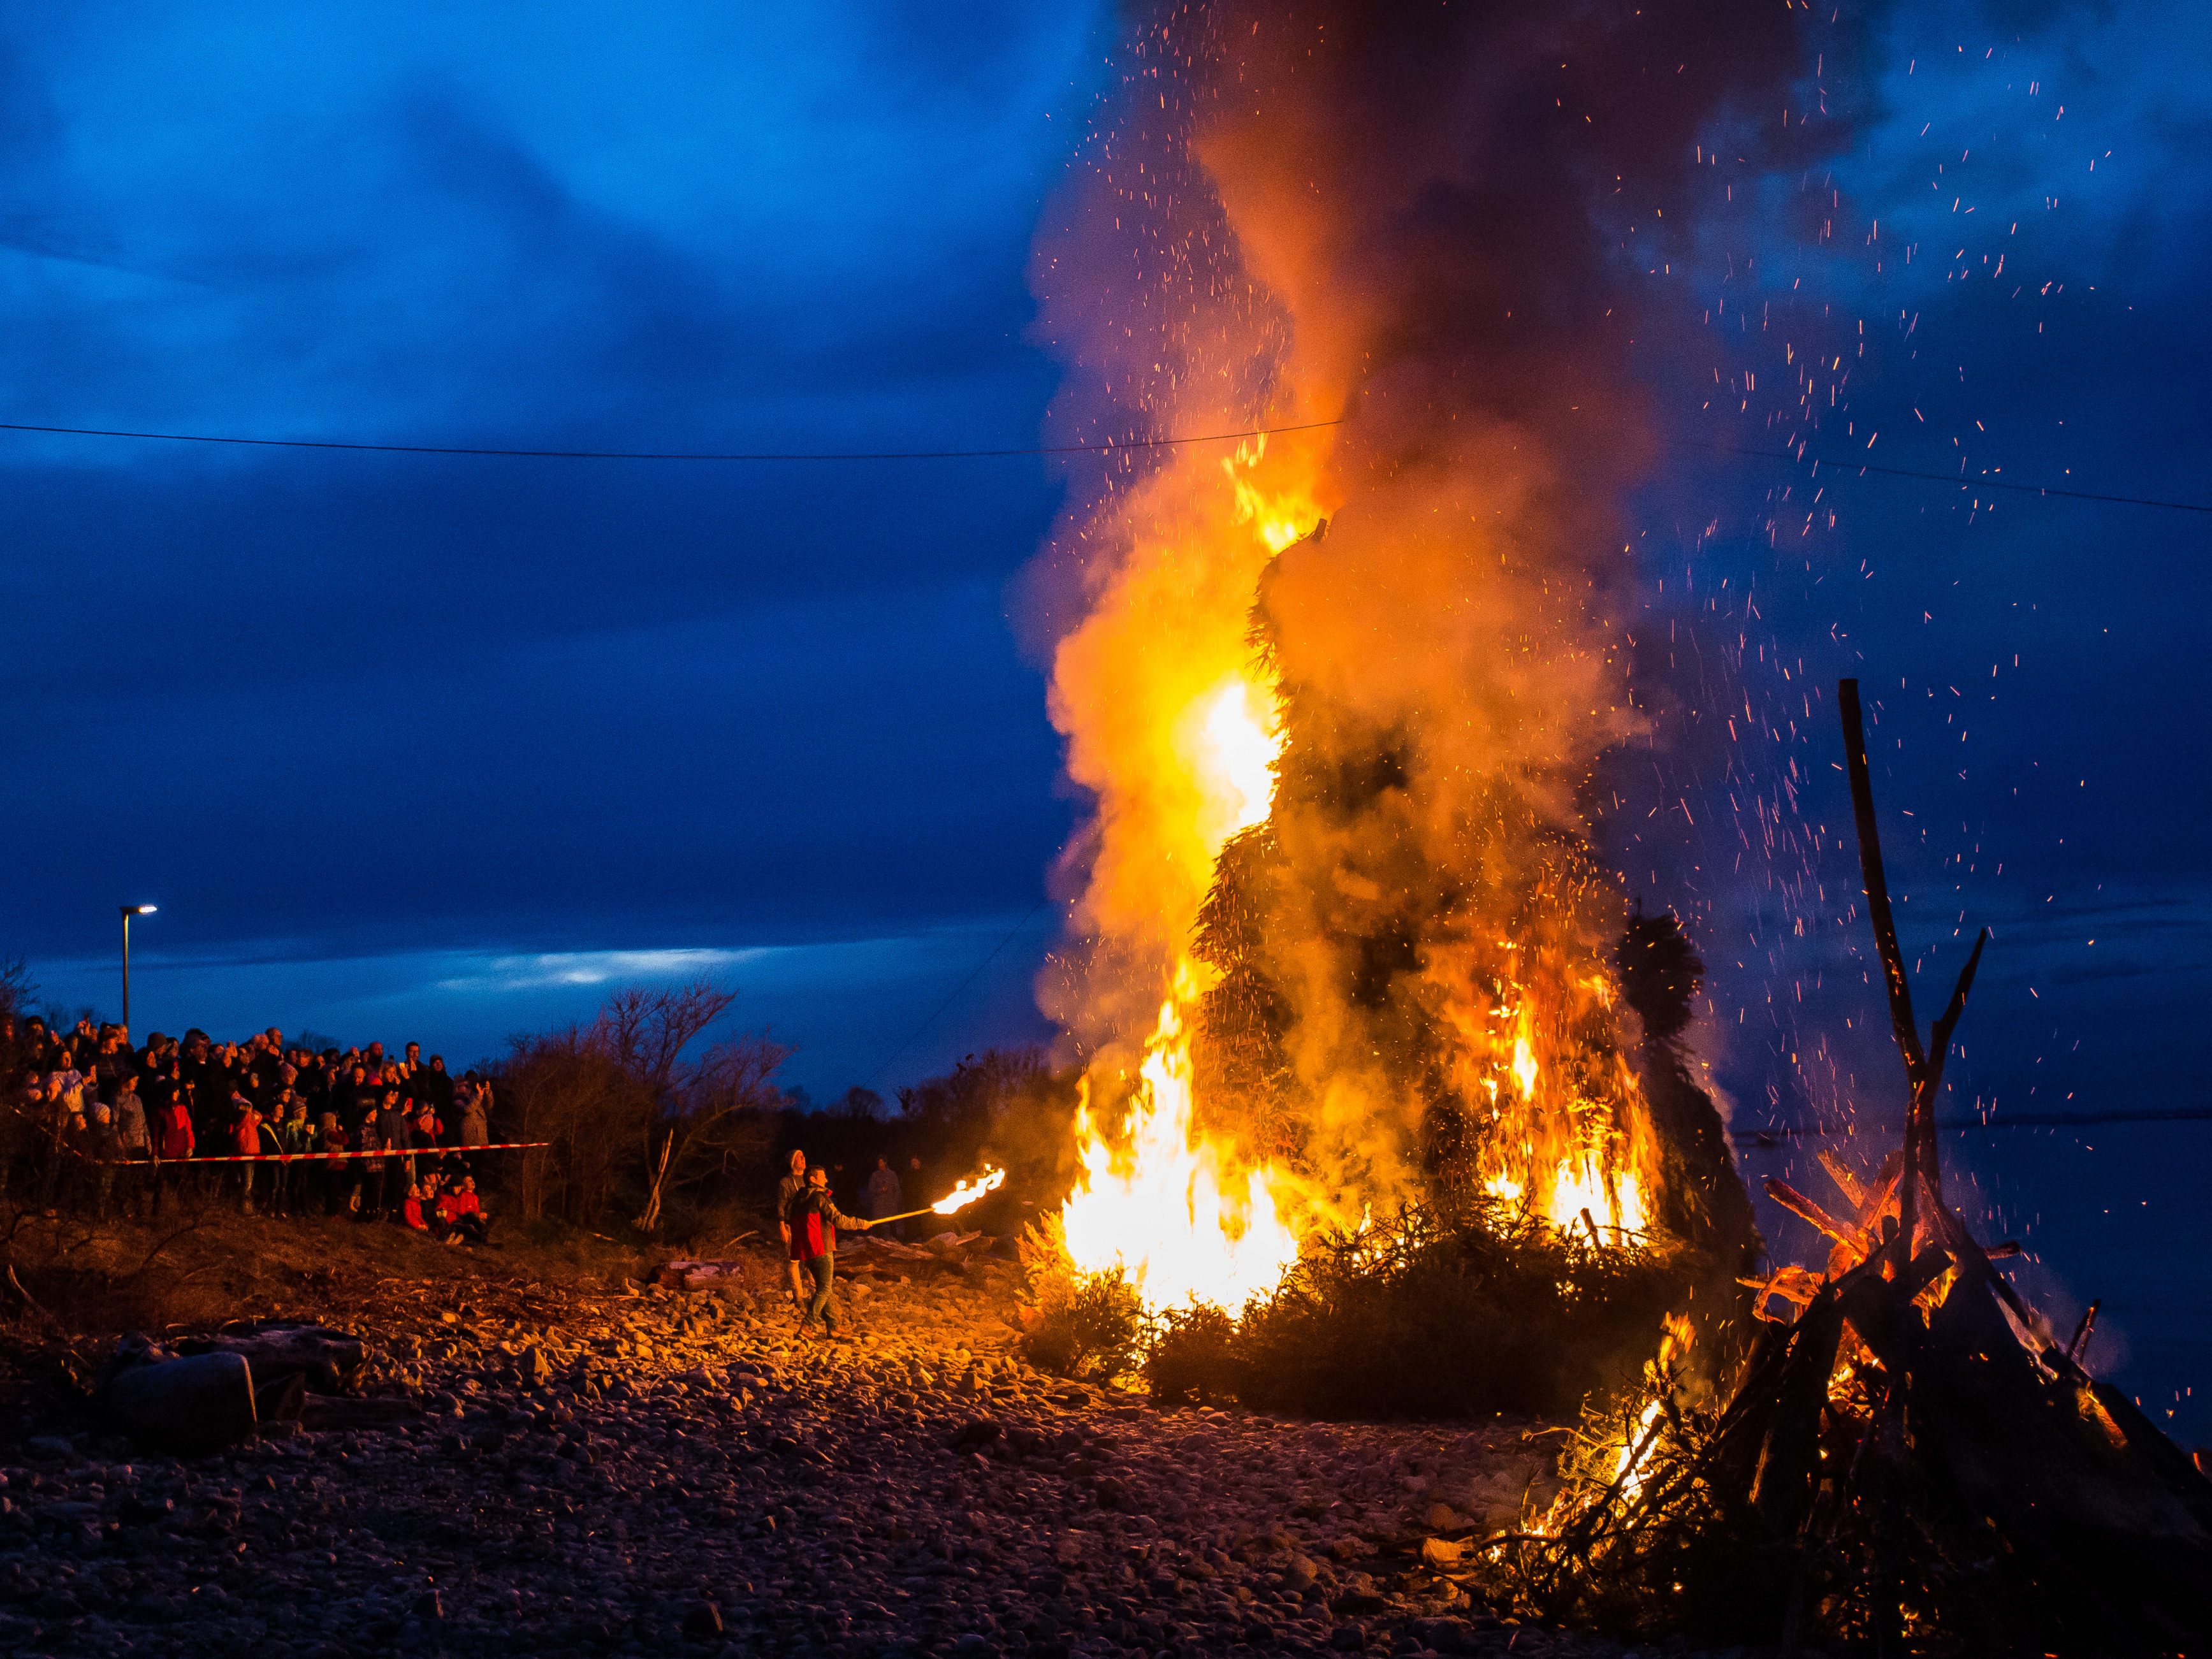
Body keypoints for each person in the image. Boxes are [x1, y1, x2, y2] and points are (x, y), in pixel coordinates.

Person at [785, 1164, 870, 1338]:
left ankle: (833, 1326)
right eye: (823, 1177)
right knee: (824, 1290)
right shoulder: (819, 1197)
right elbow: (838, 1220)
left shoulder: (798, 1200)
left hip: (807, 1252)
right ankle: (807, 1325)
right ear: (812, 1179)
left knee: (826, 1288)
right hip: (821, 1249)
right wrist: (861, 1224)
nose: (827, 1179)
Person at [776, 1149, 810, 1308]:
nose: (803, 1159)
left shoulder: (809, 1179)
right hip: (792, 1223)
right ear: (793, 1162)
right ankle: (799, 1295)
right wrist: (782, 1225)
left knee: (812, 1256)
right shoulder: (786, 1182)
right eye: (799, 1157)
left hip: (809, 1224)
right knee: (794, 1260)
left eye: (803, 1157)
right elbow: (781, 1205)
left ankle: (816, 1291)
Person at [864, 1156, 903, 1239]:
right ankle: (879, 1244)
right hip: (879, 1205)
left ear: (885, 1163)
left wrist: (895, 1201)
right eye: (879, 1163)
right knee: (879, 1227)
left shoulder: (892, 1174)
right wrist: (880, 1190)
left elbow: (897, 1189)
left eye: (881, 1163)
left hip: (890, 1204)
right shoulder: (875, 1175)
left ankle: (895, 1243)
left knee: (892, 1225)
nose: (880, 1165)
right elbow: (871, 1190)